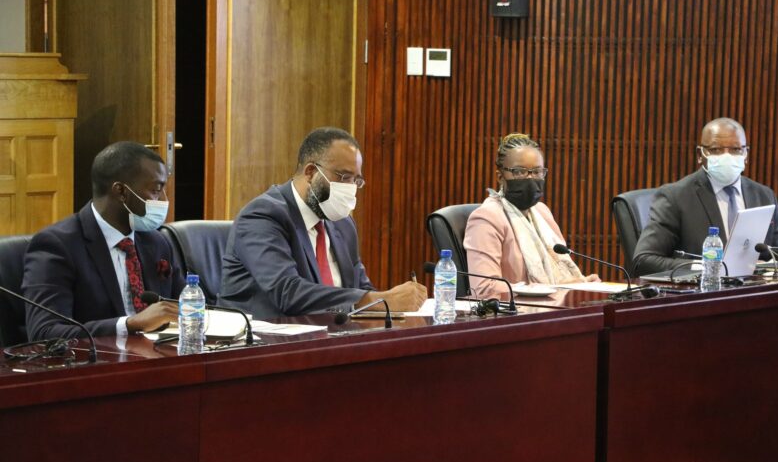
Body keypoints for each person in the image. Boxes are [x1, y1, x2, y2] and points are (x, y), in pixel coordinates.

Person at [219, 127, 426, 318]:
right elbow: (288, 293)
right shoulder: (263, 216)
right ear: (310, 172)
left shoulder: (343, 224)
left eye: (356, 180)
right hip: (265, 343)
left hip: (331, 336)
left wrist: (389, 302)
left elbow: (361, 288)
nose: (351, 188)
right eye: (344, 177)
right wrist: (379, 300)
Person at [22, 142, 184, 341]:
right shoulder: (57, 245)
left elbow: (181, 306)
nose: (162, 200)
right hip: (97, 365)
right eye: (155, 190)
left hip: (159, 359)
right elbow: (44, 332)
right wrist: (130, 324)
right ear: (121, 192)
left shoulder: (156, 242)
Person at [632, 117, 778, 276]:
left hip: (753, 294)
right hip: (702, 294)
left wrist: (764, 267)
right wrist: (703, 267)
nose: (726, 157)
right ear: (700, 155)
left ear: (746, 154)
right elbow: (644, 261)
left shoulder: (764, 195)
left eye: (736, 150)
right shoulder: (675, 197)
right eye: (715, 150)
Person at [463, 133, 600, 298]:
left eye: (537, 172)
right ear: (500, 177)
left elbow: (555, 276)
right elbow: (484, 288)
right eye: (519, 172)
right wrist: (542, 289)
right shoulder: (486, 219)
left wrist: (581, 283)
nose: (530, 178)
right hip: (515, 317)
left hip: (550, 310)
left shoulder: (542, 212)